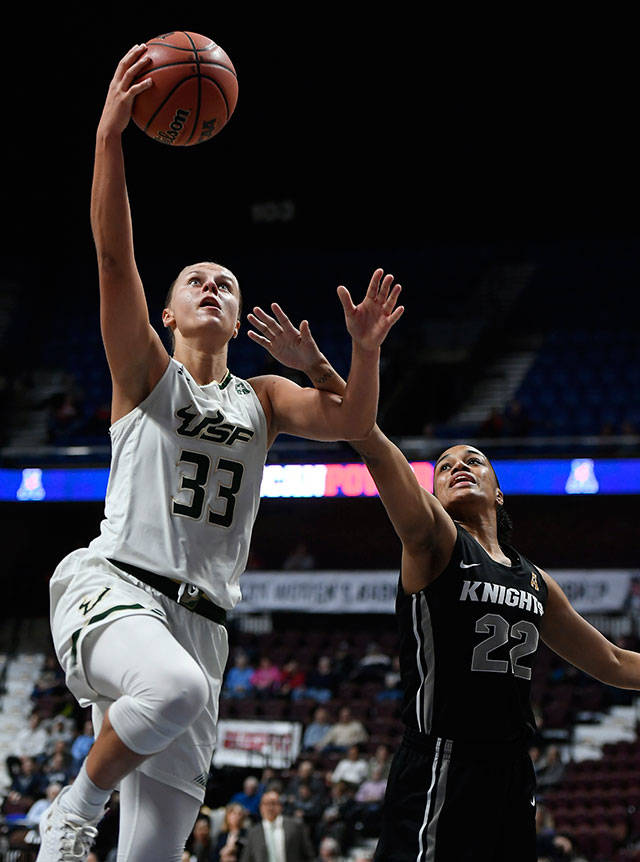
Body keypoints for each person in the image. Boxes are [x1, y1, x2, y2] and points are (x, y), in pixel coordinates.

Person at [36, 44, 403, 862]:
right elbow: (111, 257)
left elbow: (354, 423)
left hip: (202, 624)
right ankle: (71, 806)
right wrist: (108, 139)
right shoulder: (144, 375)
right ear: (164, 314)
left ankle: (89, 809)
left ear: (239, 320)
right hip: (118, 591)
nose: (211, 285)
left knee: (156, 851)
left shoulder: (264, 399)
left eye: (225, 283)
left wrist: (353, 354)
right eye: (194, 279)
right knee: (171, 689)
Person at [250, 313, 640, 861]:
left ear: (499, 493)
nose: (459, 467)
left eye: (474, 461)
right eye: (445, 465)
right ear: (431, 491)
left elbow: (617, 664)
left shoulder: (534, 580)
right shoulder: (434, 541)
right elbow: (374, 443)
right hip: (441, 762)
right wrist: (331, 363)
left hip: (511, 773)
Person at [239, 790, 315, 862]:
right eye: (265, 804)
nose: (269, 808)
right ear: (260, 808)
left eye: (273, 803)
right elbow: (246, 859)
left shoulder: (295, 826)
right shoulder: (253, 832)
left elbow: (309, 856)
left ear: (280, 806)